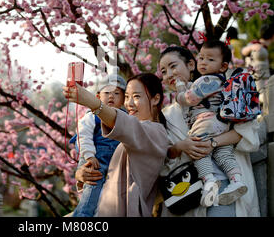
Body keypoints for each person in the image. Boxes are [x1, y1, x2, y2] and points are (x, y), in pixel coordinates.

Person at [159, 46, 260, 217]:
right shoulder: (167, 114)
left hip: (225, 182)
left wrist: (212, 143)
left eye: (173, 66)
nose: (169, 74)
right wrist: (181, 146)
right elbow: (165, 154)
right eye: (163, 71)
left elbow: (245, 133)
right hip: (191, 191)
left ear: (191, 64)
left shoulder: (221, 92)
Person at [63, 73, 169, 217]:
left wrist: (93, 103)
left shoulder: (155, 132)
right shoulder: (130, 135)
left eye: (136, 97)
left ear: (156, 99)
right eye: (127, 97)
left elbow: (125, 124)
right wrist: (84, 174)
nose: (129, 104)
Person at [173, 40, 247, 207]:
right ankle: (236, 180)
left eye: (210, 59)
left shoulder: (208, 80)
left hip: (206, 122)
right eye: (201, 58)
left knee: (197, 148)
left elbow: (188, 99)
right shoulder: (216, 82)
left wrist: (179, 89)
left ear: (223, 67)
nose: (203, 62)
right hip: (221, 125)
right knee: (223, 154)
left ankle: (209, 180)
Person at [70, 74, 127, 217]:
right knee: (92, 188)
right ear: (97, 96)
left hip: (118, 163)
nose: (111, 96)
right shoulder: (91, 116)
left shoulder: (126, 117)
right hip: (98, 160)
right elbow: (84, 136)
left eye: (116, 93)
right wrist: (89, 156)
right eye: (107, 92)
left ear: (124, 98)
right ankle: (83, 214)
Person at [241, 24, 274, 99]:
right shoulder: (255, 44)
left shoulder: (263, 46)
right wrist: (251, 47)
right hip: (256, 79)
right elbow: (243, 51)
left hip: (262, 78)